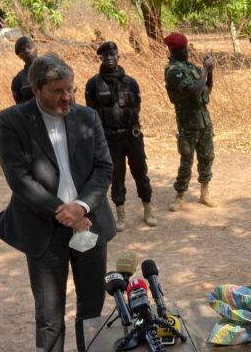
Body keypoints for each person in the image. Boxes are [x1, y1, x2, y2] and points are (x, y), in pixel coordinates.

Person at [0, 54, 116, 352]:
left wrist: (83, 206)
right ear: (36, 89)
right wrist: (64, 211)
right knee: (48, 302)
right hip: (44, 226)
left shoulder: (88, 117)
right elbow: (20, 179)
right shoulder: (13, 122)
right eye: (58, 91)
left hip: (88, 221)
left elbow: (104, 168)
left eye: (71, 90)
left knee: (92, 296)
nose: (67, 98)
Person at [85, 41, 155, 231]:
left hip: (132, 135)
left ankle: (148, 209)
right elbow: (91, 112)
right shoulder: (93, 84)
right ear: (100, 58)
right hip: (109, 138)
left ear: (118, 56)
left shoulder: (130, 82)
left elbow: (137, 105)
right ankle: (121, 214)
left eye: (113, 54)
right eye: (105, 55)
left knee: (141, 172)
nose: (109, 58)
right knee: (116, 176)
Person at [163, 32, 216, 211]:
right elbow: (193, 90)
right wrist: (205, 70)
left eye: (185, 48)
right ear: (172, 51)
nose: (186, 51)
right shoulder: (173, 71)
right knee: (186, 159)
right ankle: (179, 195)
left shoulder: (191, 68)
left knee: (207, 157)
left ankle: (205, 192)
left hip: (203, 120)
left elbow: (206, 89)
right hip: (188, 122)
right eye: (181, 50)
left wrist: (210, 73)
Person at [11, 36, 37, 104]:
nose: (27, 51)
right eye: (22, 50)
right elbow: (20, 107)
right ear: (19, 56)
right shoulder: (18, 80)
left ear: (36, 48)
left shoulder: (52, 68)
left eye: (29, 47)